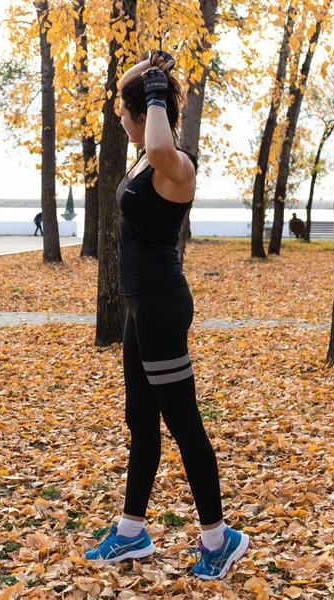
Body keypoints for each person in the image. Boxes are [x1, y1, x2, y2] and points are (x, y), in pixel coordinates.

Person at [85, 50, 249, 580]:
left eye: (128, 114)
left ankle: (219, 539)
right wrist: (148, 68)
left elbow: (158, 140)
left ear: (149, 116)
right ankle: (132, 533)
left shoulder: (174, 164)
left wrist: (154, 93)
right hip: (140, 310)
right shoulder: (142, 154)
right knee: (142, 421)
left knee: (185, 425)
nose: (121, 119)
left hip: (160, 307)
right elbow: (125, 98)